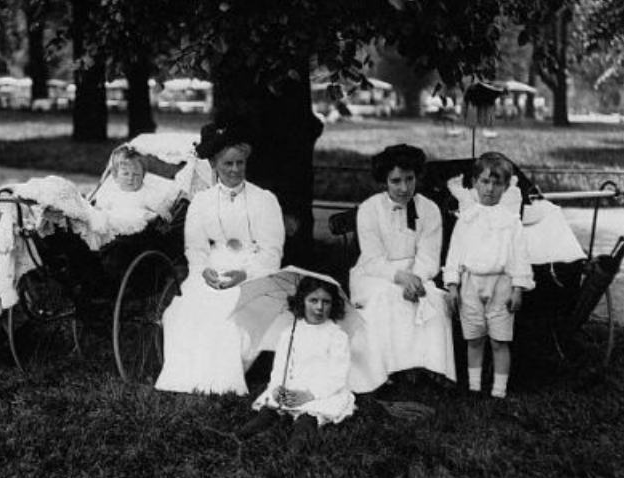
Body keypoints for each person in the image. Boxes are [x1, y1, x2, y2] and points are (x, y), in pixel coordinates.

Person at [154, 122, 285, 396]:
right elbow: (196, 248)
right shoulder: (202, 202)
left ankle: (224, 383)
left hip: (256, 269)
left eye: (240, 163)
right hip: (214, 266)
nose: (235, 170)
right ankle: (188, 379)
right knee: (191, 307)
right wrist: (203, 272)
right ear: (214, 164)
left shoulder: (264, 200)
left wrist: (245, 274)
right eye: (228, 164)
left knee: (229, 308)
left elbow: (272, 251)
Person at [349, 144, 456, 391]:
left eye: (409, 179)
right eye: (396, 181)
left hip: (417, 272)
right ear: (384, 180)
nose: (404, 188)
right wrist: (400, 277)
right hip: (375, 274)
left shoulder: (429, 209)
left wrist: (415, 278)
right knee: (387, 297)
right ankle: (386, 370)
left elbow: (429, 256)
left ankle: (429, 366)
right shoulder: (369, 209)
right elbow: (373, 258)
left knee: (433, 299)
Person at [443, 154, 535, 399]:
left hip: (501, 284)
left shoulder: (511, 221)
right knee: (474, 339)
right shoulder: (466, 218)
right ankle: (474, 387)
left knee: (499, 340)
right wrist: (452, 285)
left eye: (496, 184)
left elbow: (519, 256)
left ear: (506, 187)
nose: (490, 189)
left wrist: (518, 288)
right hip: (471, 282)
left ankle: (499, 390)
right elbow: (454, 253)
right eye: (484, 182)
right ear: (475, 183)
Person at [237, 275, 356, 452]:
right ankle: (257, 424)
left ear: (333, 305)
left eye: (326, 302)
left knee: (310, 415)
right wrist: (278, 386)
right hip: (292, 385)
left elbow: (337, 375)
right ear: (302, 302)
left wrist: (310, 394)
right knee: (271, 406)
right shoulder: (290, 333)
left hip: (322, 389)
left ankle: (300, 438)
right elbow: (279, 368)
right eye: (313, 300)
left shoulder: (337, 336)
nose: (319, 307)